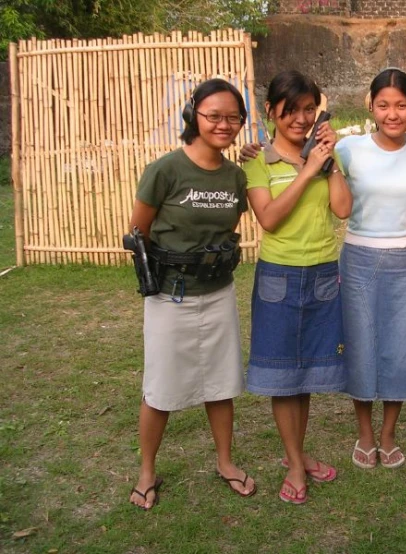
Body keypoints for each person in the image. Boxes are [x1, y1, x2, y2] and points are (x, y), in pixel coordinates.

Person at [127, 78, 255, 510]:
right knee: (160, 387)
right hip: (169, 295)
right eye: (213, 115)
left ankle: (225, 462)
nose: (224, 124)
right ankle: (147, 471)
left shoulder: (236, 176)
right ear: (192, 116)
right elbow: (138, 232)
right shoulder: (165, 170)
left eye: (233, 117)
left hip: (218, 291)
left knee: (221, 383)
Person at [243, 70, 352, 504]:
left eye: (309, 109)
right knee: (282, 375)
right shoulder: (256, 160)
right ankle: (293, 462)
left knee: (304, 373)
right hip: (279, 278)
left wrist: (329, 159)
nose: (301, 118)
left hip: (324, 274)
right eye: (291, 110)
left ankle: (298, 453)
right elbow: (268, 219)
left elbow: (342, 209)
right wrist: (307, 171)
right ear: (271, 111)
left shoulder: (325, 155)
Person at [335, 68, 406, 470]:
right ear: (370, 104)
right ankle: (364, 433)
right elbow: (304, 162)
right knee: (360, 343)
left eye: (401, 105)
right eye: (384, 105)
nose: (393, 114)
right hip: (358, 258)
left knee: (401, 346)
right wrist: (257, 152)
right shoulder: (350, 150)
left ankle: (389, 434)